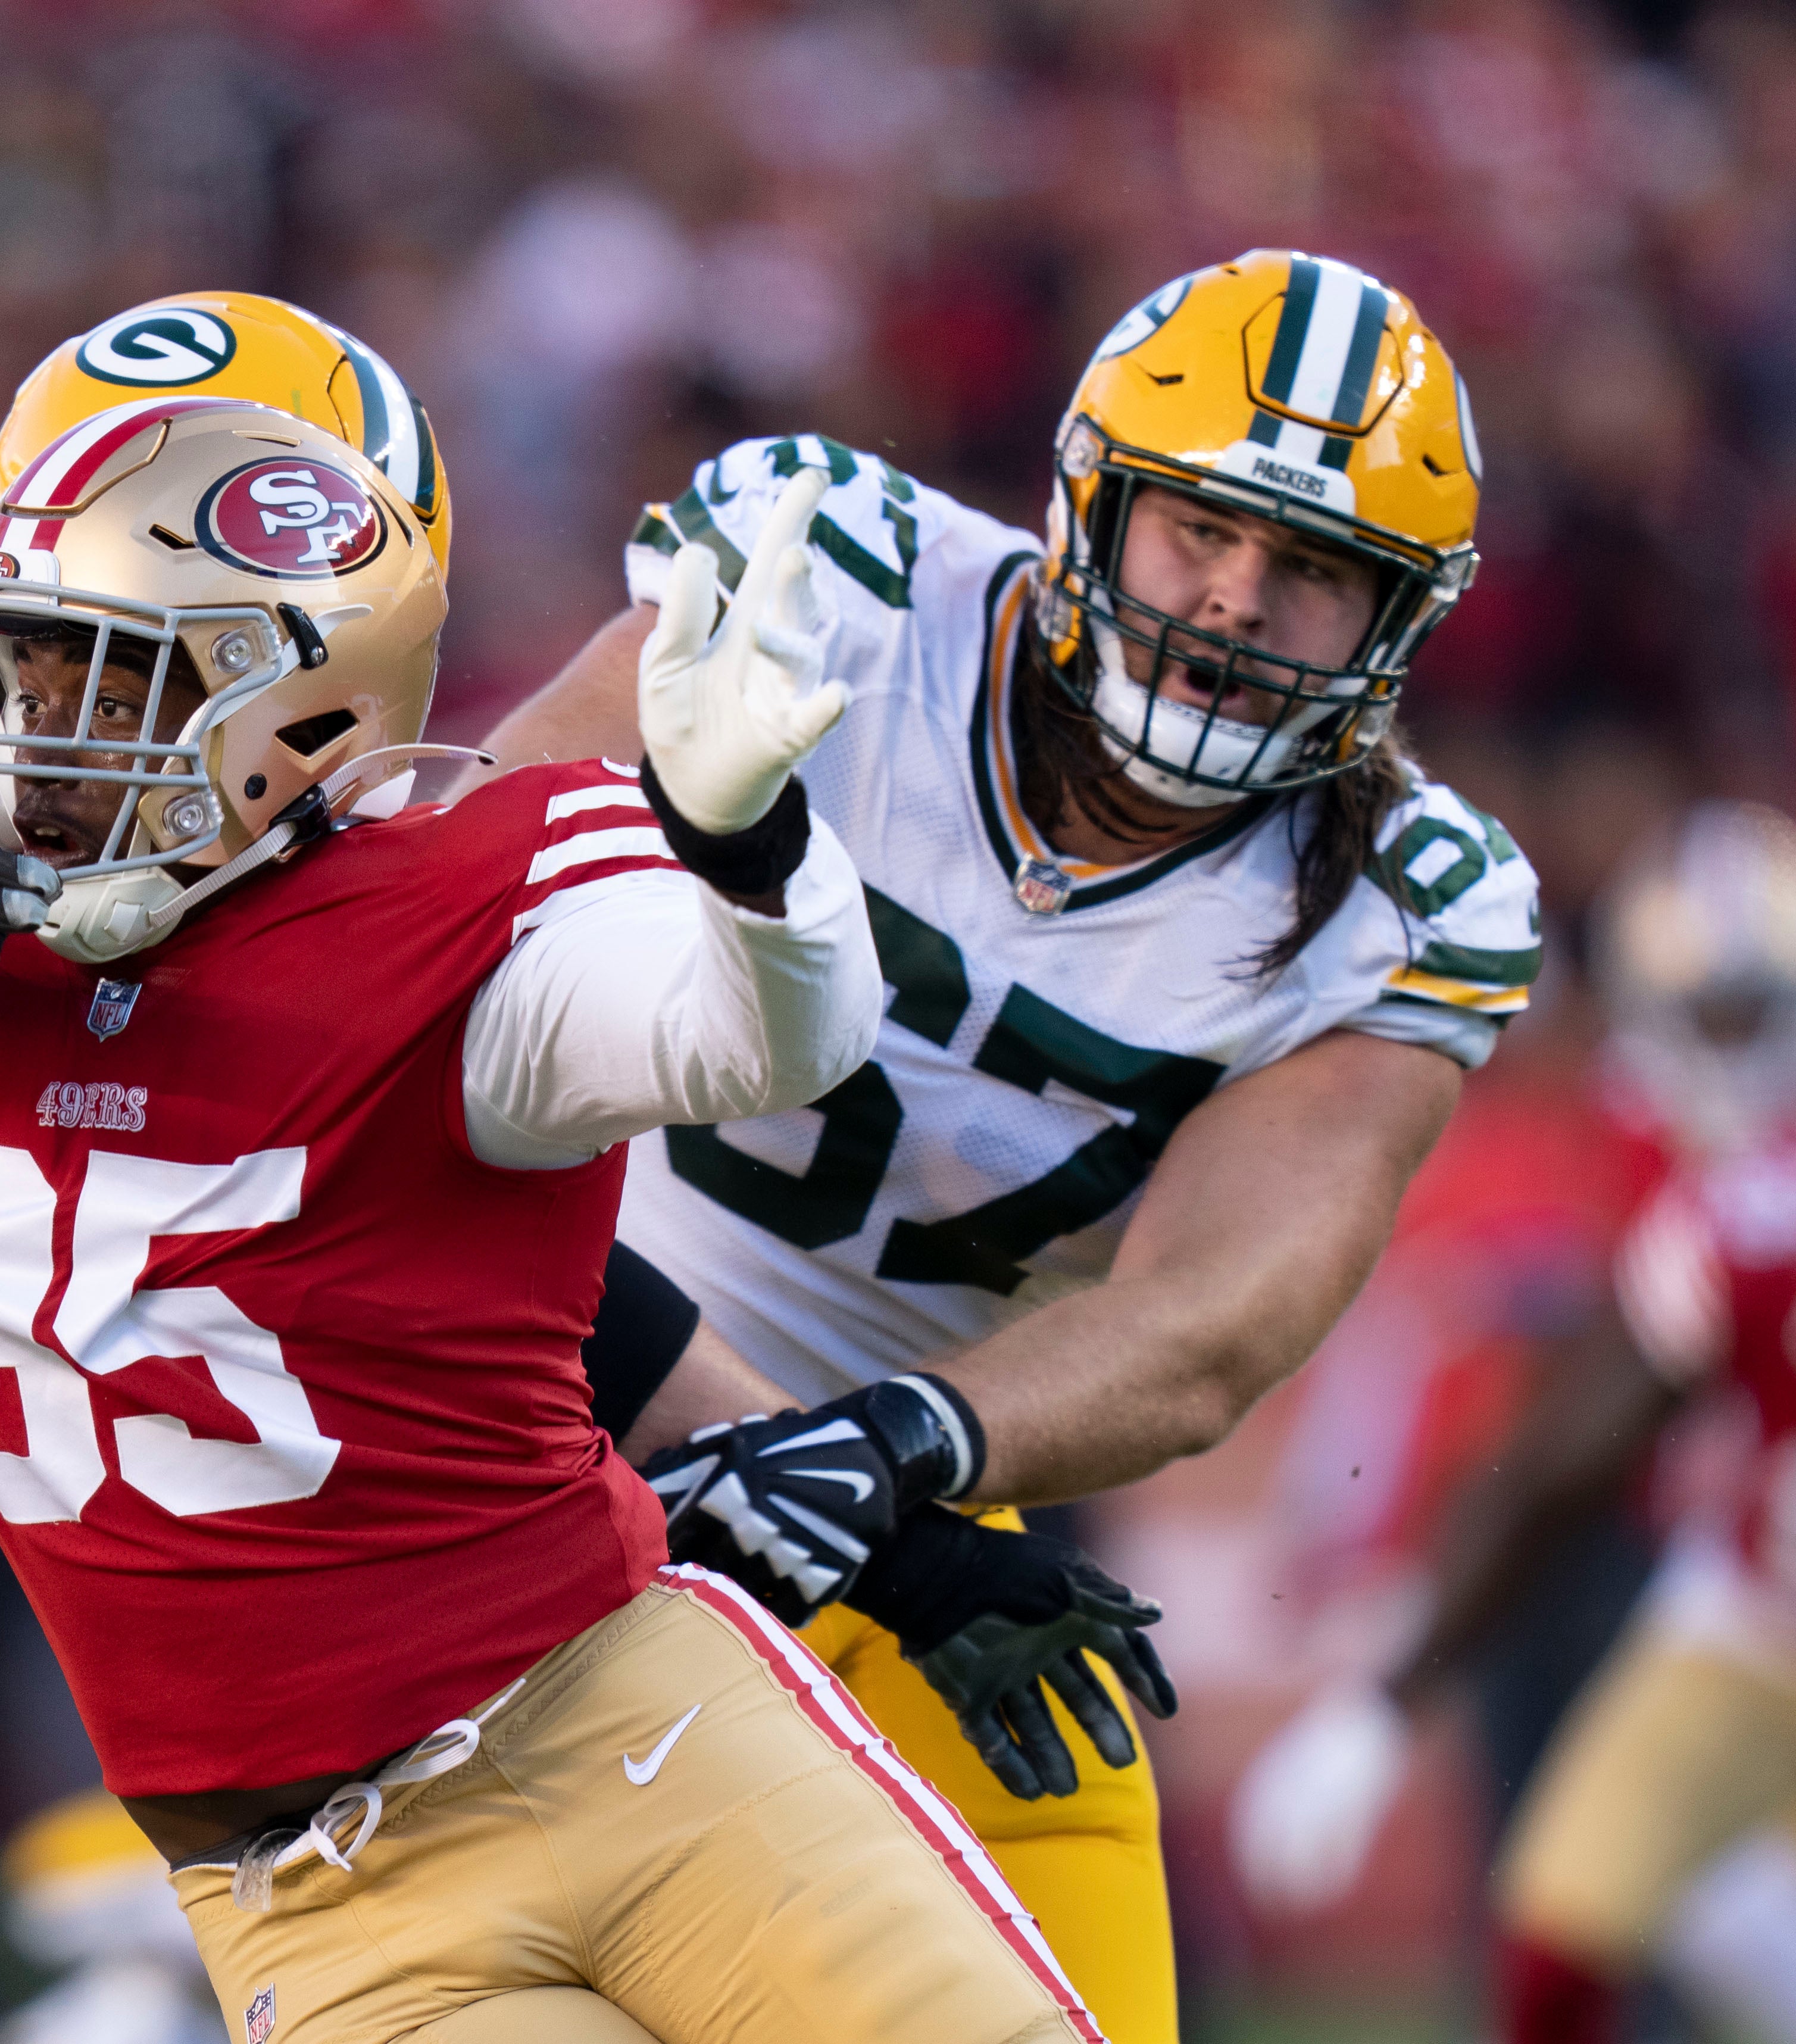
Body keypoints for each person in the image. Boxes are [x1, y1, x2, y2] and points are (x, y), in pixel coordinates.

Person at [0, 229, 1133, 2044]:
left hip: (636, 1742)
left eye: (108, 676)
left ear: (309, 685)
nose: (30, 731)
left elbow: (755, 1040)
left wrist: (758, 858)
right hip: (312, 1907)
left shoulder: (450, 903)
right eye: (15, 663)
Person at [463, 248, 1544, 2044]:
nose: (1233, 600)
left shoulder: (1401, 901)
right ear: (1083, 503)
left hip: (888, 1501)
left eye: (1312, 572)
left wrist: (906, 1446)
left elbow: (1207, 1317)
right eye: (1196, 528)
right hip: (514, 1394)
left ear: (1398, 623)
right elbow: (448, 940)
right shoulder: (841, 585)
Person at [1236, 802, 1796, 2044]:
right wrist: (1381, 1695)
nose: (1736, 1056)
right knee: (1563, 1923)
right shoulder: (1707, 1195)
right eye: (1708, 1017)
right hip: (1742, 1601)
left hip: (1702, 1556)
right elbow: (1563, 1445)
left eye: (1757, 1013)